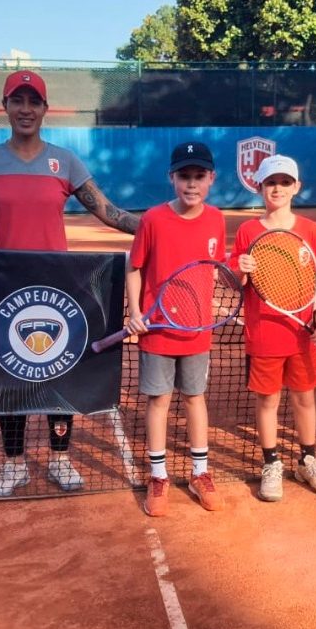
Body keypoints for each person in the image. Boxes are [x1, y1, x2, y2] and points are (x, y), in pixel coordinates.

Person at [0, 70, 139, 497]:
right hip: (6, 288)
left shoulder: (65, 162)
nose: (25, 109)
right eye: (17, 100)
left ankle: (60, 457)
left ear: (45, 109)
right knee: (9, 374)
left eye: (33, 101)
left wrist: (158, 228)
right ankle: (14, 463)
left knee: (61, 371)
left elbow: (109, 213)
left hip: (59, 287)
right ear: (5, 107)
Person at [126, 141, 225, 517]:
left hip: (198, 331)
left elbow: (218, 269)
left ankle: (200, 472)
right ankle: (158, 476)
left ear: (211, 178)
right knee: (159, 401)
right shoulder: (153, 219)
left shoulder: (216, 219)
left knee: (195, 398)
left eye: (199, 176)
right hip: (158, 331)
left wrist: (240, 269)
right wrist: (136, 312)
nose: (192, 183)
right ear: (172, 178)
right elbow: (134, 268)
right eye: (184, 176)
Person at [232, 154, 316, 502]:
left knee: (305, 398)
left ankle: (308, 460)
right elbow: (235, 282)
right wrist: (241, 268)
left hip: (303, 335)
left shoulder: (308, 229)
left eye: (285, 182)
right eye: (271, 183)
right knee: (268, 401)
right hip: (264, 333)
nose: (277, 188)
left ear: (296, 187)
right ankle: (271, 463)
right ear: (259, 187)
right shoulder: (247, 231)